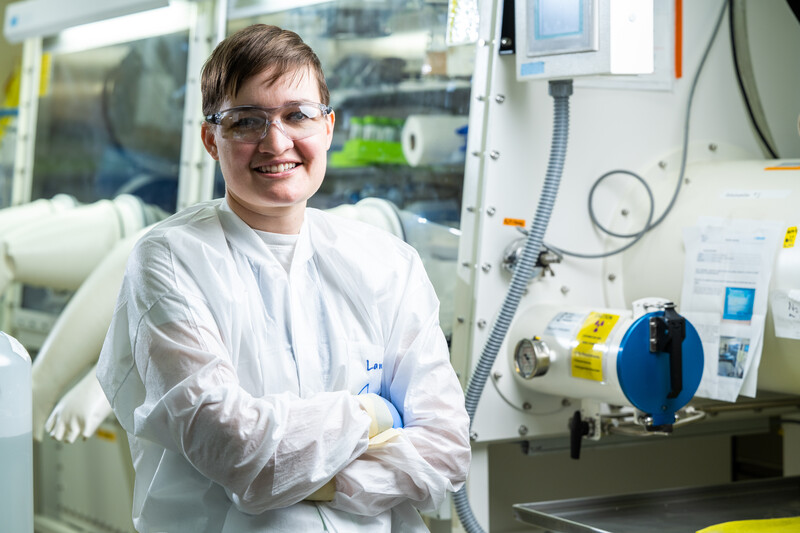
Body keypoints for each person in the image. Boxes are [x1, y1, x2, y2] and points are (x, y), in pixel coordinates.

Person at [96, 23, 471, 532]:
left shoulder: (388, 264)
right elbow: (237, 451)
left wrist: (323, 480)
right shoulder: (172, 259)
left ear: (329, 128)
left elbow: (446, 451)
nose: (276, 142)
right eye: (247, 121)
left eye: (297, 115)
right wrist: (371, 415)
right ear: (211, 139)